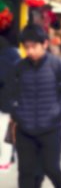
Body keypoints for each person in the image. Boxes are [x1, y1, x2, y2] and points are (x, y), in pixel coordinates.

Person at [6, 24, 61, 188]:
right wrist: (17, 113)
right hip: (26, 129)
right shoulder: (18, 67)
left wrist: (57, 112)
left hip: (51, 128)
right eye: (27, 47)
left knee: (50, 167)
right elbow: (10, 93)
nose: (30, 51)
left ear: (45, 44)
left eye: (34, 46)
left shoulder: (59, 66)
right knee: (25, 170)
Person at [0, 36, 20, 172]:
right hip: (12, 100)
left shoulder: (4, 58)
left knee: (3, 132)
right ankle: (9, 157)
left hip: (4, 101)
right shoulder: (14, 54)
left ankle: (5, 161)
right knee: (8, 130)